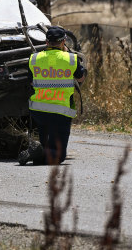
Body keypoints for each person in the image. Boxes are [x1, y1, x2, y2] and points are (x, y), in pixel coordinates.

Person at [18, 26, 87, 165]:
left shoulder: (34, 58)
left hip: (39, 110)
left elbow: (31, 82)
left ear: (46, 42)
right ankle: (37, 152)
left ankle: (38, 152)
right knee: (58, 157)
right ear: (63, 42)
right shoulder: (71, 59)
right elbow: (81, 79)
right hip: (60, 111)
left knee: (45, 147)